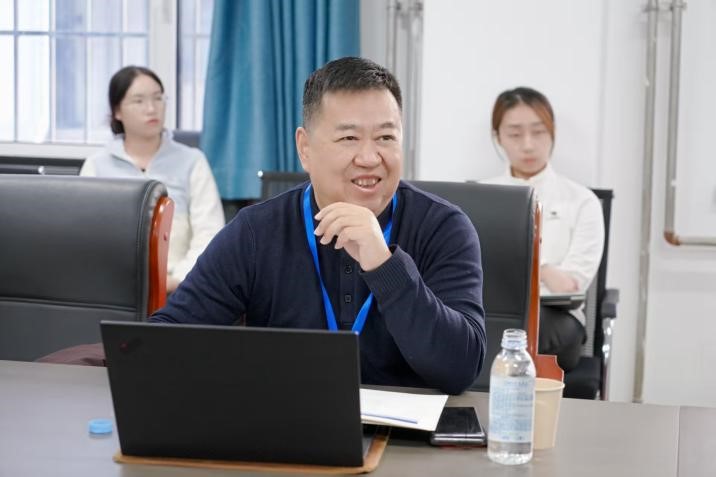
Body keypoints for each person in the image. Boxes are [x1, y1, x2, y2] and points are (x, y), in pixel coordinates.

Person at [151, 57, 487, 395]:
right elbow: (165, 341)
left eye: (386, 137)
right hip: (289, 422)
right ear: (305, 148)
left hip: (412, 428)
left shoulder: (444, 228)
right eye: (349, 138)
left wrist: (384, 265)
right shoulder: (256, 232)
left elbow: (460, 369)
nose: (369, 158)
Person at [482, 86, 604, 372]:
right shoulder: (483, 196)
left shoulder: (581, 200)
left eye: (538, 132)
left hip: (556, 317)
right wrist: (546, 271)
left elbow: (571, 285)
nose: (528, 145)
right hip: (491, 311)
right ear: (498, 137)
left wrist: (531, 260)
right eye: (515, 134)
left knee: (525, 333)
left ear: (552, 133)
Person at [81, 66, 225, 292]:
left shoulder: (192, 160)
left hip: (180, 287)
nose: (151, 108)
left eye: (158, 98)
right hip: (113, 289)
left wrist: (179, 280)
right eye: (138, 101)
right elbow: (86, 236)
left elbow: (210, 232)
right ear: (117, 111)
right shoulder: (97, 166)